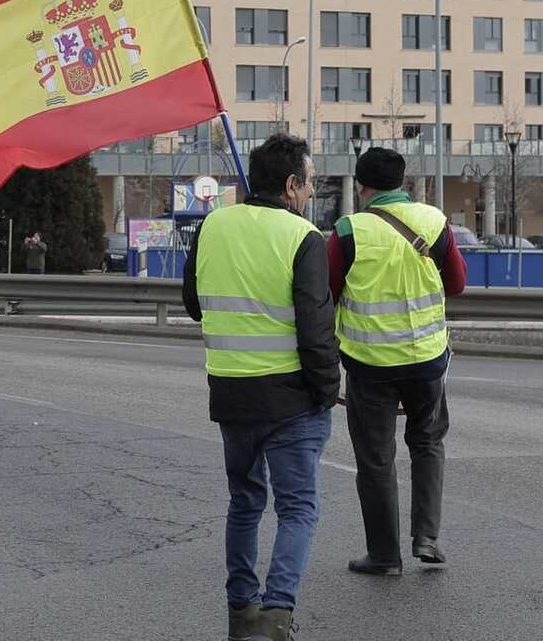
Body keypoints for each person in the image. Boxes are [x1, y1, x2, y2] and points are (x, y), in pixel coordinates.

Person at [182, 134, 340, 641]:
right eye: (310, 183)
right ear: (292, 184)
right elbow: (316, 330)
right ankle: (276, 616)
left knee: (244, 504)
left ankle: (240, 613)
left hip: (230, 394)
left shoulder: (211, 226)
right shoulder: (303, 237)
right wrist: (327, 390)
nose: (311, 193)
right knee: (297, 508)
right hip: (292, 399)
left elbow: (194, 301)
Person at [326, 148, 467, 576]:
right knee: (427, 443)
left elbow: (326, 291)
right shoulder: (434, 221)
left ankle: (385, 556)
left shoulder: (348, 230)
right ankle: (427, 538)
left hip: (370, 365)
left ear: (362, 187)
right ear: (402, 183)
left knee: (376, 459)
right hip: (426, 360)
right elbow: (457, 284)